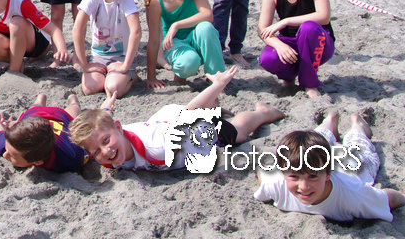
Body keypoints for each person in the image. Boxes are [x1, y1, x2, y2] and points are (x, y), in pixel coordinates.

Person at [69, 67, 284, 171]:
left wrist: (217, 85)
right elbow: (104, 120)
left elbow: (188, 113)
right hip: (165, 121)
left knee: (238, 132)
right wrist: (106, 108)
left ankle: (263, 112)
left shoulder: (157, 146)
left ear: (118, 128)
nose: (105, 151)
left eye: (106, 141)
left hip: (194, 133)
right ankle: (214, 107)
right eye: (96, 151)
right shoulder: (106, 145)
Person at [255, 111, 405, 221]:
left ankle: (358, 125)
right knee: (315, 140)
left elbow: (387, 198)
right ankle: (330, 121)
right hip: (318, 160)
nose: (303, 187)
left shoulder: (353, 196)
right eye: (294, 177)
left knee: (358, 144)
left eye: (312, 177)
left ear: (328, 174)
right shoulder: (276, 184)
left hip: (352, 165)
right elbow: (263, 172)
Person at [257, 0, 335, 97]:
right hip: (291, 43)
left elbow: (324, 16)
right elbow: (262, 30)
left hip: (318, 41)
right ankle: (288, 78)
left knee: (308, 27)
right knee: (267, 58)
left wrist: (285, 21)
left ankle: (310, 84)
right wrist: (279, 45)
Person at [144, 0, 226, 87]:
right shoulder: (156, 1)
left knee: (206, 28)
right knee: (189, 62)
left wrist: (176, 25)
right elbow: (153, 41)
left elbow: (208, 15)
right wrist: (151, 77)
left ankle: (217, 80)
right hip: (174, 43)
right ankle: (180, 76)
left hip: (197, 37)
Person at [72, 0, 141, 104]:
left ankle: (130, 75)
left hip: (121, 55)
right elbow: (77, 29)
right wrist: (84, 64)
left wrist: (125, 65)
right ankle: (111, 77)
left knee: (113, 88)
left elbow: (136, 31)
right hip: (99, 56)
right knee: (90, 88)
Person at [0, 93, 90, 173]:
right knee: (33, 109)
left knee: (72, 117)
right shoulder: (9, 143)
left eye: (13, 156)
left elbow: (88, 149)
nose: (5, 155)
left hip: (60, 118)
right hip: (35, 115)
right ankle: (40, 99)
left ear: (37, 162)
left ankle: (73, 102)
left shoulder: (69, 158)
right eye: (7, 149)